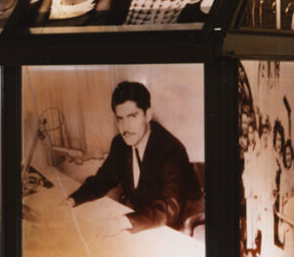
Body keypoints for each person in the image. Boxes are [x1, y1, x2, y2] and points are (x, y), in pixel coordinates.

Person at [64, 81, 202, 233]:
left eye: (132, 116)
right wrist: (71, 201)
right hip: (146, 221)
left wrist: (123, 222)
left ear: (148, 115)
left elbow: (169, 209)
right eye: (120, 119)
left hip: (179, 226)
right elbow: (101, 181)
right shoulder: (120, 144)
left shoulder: (171, 149)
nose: (125, 127)